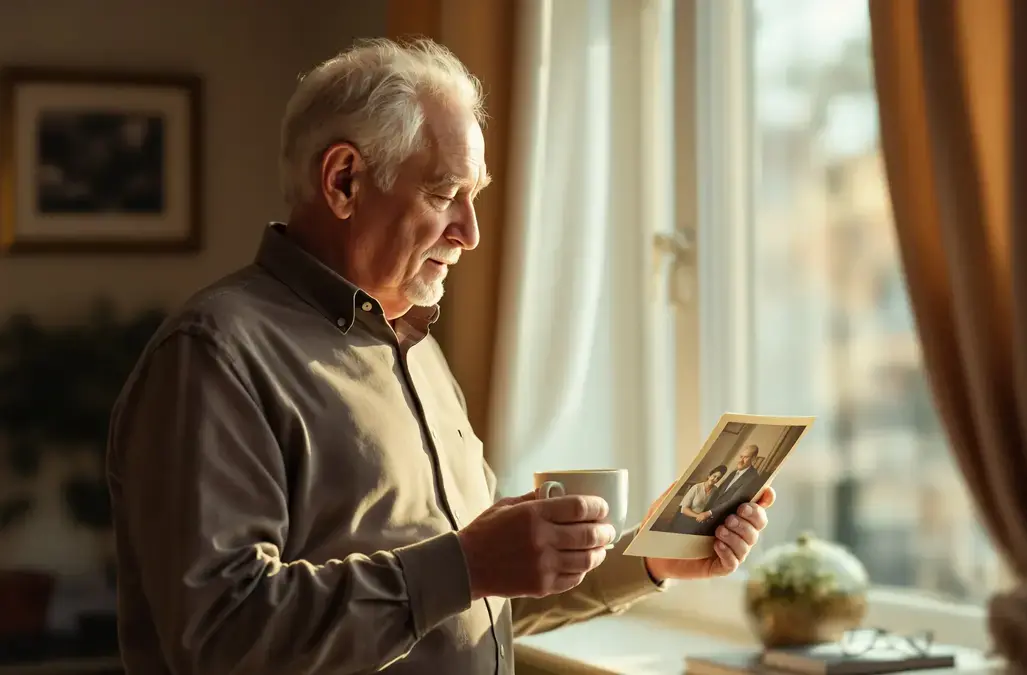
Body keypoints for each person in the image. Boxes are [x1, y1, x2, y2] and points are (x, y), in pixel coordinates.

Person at [105, 38, 775, 675]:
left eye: (474, 196)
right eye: (444, 192)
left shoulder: (417, 348)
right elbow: (221, 636)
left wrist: (655, 558)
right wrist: (466, 564)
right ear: (343, 181)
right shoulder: (214, 357)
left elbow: (472, 601)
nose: (471, 233)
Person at [702, 444, 766, 534]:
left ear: (754, 459)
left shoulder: (753, 478)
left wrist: (709, 512)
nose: (741, 460)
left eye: (746, 457)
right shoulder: (733, 473)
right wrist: (705, 510)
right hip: (709, 517)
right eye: (741, 456)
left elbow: (735, 501)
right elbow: (718, 493)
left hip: (722, 521)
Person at [672, 465, 728, 534]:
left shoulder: (715, 491)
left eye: (718, 478)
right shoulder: (696, 487)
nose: (715, 479)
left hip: (699, 523)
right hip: (686, 520)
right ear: (709, 476)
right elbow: (684, 509)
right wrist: (698, 516)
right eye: (714, 476)